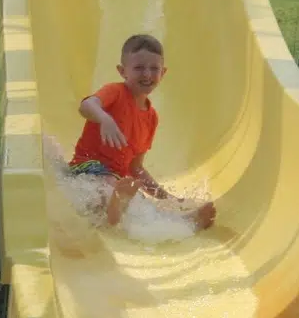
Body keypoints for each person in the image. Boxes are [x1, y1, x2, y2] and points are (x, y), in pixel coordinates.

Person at [72, 34, 215, 230]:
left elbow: (136, 167)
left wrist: (168, 198)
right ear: (123, 71)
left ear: (163, 73)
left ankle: (185, 222)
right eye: (139, 68)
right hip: (87, 168)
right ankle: (112, 209)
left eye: (154, 68)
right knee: (106, 185)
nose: (147, 74)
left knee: (142, 205)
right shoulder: (115, 91)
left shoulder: (151, 118)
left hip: (119, 181)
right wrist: (104, 119)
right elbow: (86, 105)